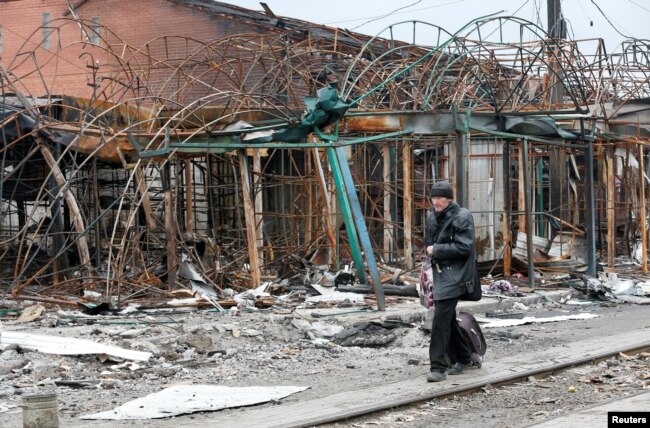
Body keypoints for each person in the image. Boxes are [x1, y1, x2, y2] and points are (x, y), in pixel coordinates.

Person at [424, 181, 476, 382]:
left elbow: (465, 248)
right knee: (446, 318)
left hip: (457, 275)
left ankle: (438, 367)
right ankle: (464, 356)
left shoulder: (462, 216)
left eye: (440, 198)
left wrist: (436, 250)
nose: (435, 202)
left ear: (449, 199)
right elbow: (429, 243)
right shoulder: (432, 215)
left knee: (440, 319)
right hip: (438, 273)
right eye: (433, 198)